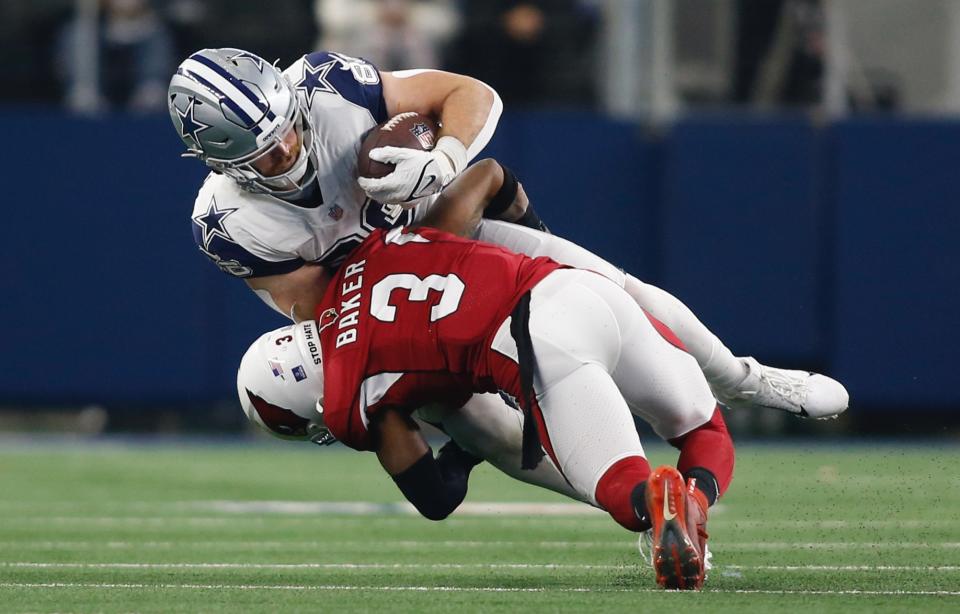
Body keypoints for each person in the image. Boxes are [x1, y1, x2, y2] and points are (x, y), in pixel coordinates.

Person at [168, 47, 848, 419]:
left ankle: (744, 380)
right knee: (506, 434)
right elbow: (329, 306)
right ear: (220, 160)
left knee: (612, 288)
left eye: (286, 125)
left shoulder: (328, 85)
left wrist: (443, 158)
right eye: (266, 150)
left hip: (452, 235)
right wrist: (410, 234)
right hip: (390, 316)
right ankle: (641, 500)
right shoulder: (228, 223)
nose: (288, 145)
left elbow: (472, 94)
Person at [235, 167, 737, 590]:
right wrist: (532, 225)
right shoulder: (363, 259)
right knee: (703, 428)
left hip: (538, 342)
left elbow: (435, 499)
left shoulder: (350, 400)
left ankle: (661, 500)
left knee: (626, 494)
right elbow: (486, 175)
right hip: (574, 284)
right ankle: (693, 502)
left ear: (307, 402)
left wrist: (465, 447)